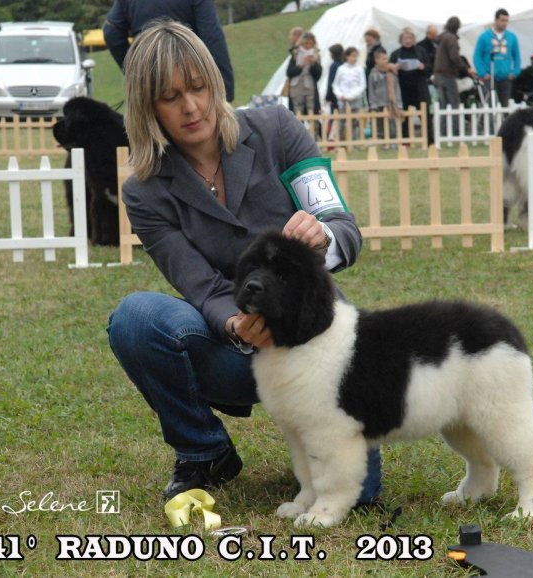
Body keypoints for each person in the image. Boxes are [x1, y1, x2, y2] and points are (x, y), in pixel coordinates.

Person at [107, 20, 382, 504]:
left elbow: (344, 227)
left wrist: (324, 236)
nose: (191, 107)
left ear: (214, 83)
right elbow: (201, 287)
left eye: (197, 87)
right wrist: (236, 325)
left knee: (360, 495)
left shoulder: (277, 128)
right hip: (235, 354)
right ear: (147, 107)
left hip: (315, 345)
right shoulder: (144, 192)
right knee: (136, 319)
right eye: (170, 97)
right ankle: (203, 450)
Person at [102, 0, 234, 102]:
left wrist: (138, 76)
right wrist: (225, 91)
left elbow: (111, 32)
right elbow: (212, 37)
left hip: (153, 87)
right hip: (192, 85)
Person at [390, 27, 432, 142]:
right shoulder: (395, 54)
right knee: (404, 116)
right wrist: (395, 68)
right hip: (403, 89)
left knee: (425, 115)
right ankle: (405, 141)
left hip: (419, 88)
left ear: (413, 39)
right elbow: (389, 69)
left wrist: (423, 67)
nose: (407, 40)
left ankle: (429, 140)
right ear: (401, 39)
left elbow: (429, 67)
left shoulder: (421, 51)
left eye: (410, 38)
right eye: (405, 38)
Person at [474, 8, 521, 107]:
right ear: (496, 20)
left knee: (505, 106)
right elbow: (477, 56)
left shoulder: (511, 37)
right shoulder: (484, 36)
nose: (505, 23)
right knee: (491, 106)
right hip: (490, 78)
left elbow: (517, 56)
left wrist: (515, 72)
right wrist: (483, 73)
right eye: (502, 20)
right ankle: (491, 123)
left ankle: (504, 122)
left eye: (506, 21)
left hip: (506, 77)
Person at [332, 46, 368, 142]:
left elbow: (362, 85)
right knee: (342, 120)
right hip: (343, 99)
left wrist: (352, 95)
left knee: (355, 121)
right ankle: (341, 140)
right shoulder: (341, 69)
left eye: (356, 56)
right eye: (352, 56)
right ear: (347, 56)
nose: (354, 58)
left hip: (355, 99)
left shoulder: (359, 69)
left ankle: (354, 140)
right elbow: (336, 84)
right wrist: (340, 95)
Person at [368, 46, 402, 144]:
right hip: (379, 104)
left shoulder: (392, 72)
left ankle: (393, 142)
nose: (386, 61)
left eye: (387, 58)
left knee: (392, 124)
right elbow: (371, 90)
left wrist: (399, 104)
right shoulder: (373, 74)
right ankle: (382, 142)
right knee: (380, 125)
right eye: (383, 59)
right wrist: (373, 104)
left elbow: (396, 89)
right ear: (376, 60)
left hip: (391, 103)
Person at [287, 31, 322, 117]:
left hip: (310, 88)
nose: (308, 46)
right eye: (306, 43)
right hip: (296, 87)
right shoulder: (295, 54)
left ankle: (314, 130)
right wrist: (301, 65)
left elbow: (318, 75)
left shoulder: (316, 55)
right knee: (297, 114)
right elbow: (289, 72)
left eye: (311, 44)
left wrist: (313, 64)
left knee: (313, 113)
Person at [434, 16, 464, 113]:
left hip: (438, 75)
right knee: (454, 104)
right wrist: (465, 68)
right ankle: (454, 128)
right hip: (448, 75)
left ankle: (443, 128)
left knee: (443, 105)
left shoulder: (442, 38)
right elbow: (454, 57)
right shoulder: (451, 38)